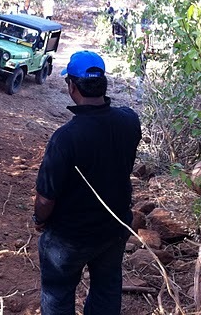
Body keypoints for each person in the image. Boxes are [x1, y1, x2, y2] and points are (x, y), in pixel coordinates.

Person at [33, 50, 141, 315]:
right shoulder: (130, 121)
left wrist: (39, 221)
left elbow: (46, 198)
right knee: (107, 288)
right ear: (103, 84)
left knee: (58, 293)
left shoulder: (65, 138)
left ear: (72, 86)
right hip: (114, 228)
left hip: (71, 237)